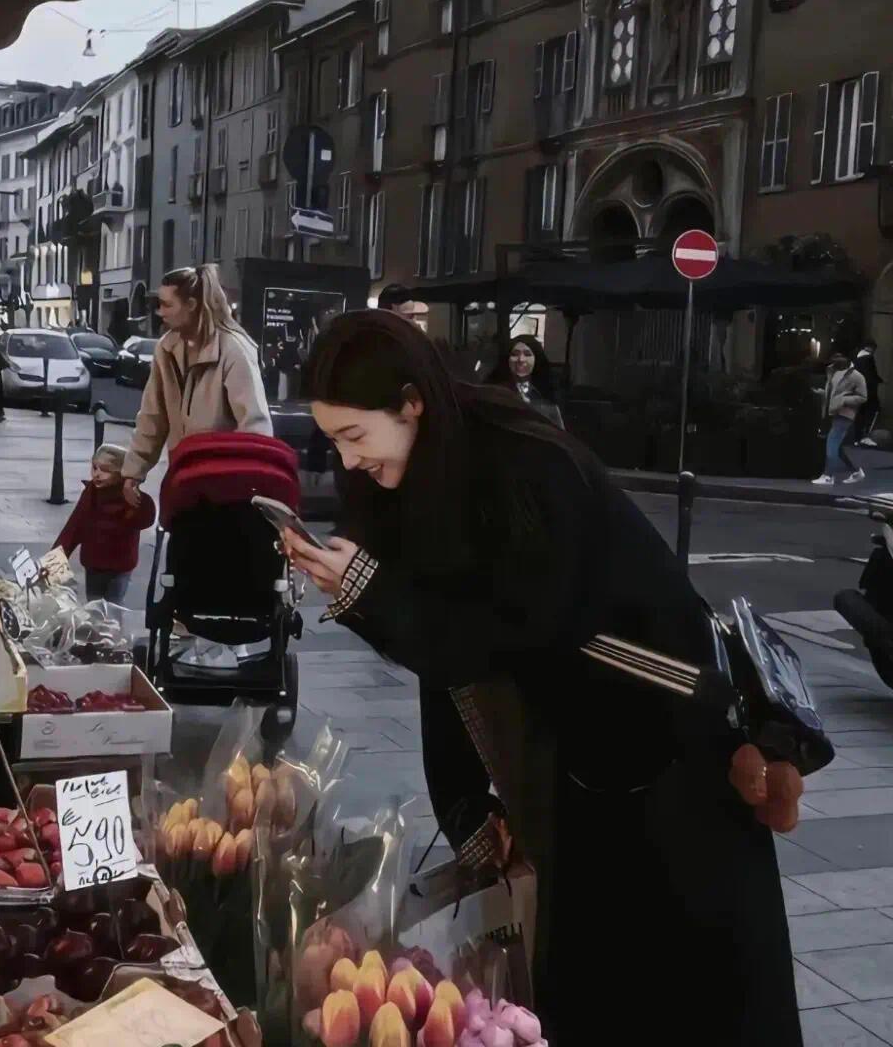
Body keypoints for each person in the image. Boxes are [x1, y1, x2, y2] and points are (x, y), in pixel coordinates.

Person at [284, 310, 803, 1047]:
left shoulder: (527, 465)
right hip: (585, 765)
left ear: (412, 403)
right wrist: (465, 808)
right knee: (583, 985)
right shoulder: (425, 474)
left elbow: (501, 634)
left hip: (670, 753)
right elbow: (450, 651)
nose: (347, 460)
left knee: (695, 992)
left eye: (355, 436)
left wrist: (369, 590)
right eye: (333, 440)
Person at [121, 264, 273, 506]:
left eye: (167, 305)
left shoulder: (233, 349)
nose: (160, 312)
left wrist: (246, 487)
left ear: (191, 305)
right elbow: (152, 415)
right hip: (183, 479)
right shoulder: (166, 348)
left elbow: (255, 424)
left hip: (225, 489)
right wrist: (133, 471)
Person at [54, 444, 156, 603]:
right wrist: (55, 559)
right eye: (94, 468)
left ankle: (112, 627)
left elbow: (145, 518)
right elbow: (75, 526)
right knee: (94, 606)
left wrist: (135, 494)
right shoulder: (91, 493)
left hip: (119, 565)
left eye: (105, 470)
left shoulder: (129, 497)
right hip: (94, 562)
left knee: (113, 607)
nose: (97, 474)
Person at [488, 335, 565, 429]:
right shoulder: (494, 391)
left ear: (537, 359)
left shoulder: (546, 396)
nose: (521, 359)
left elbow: (559, 435)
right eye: (515, 354)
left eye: (527, 354)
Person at [814, 351, 867, 486]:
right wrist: (823, 394)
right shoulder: (831, 372)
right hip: (831, 412)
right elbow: (833, 393)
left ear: (846, 359)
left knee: (832, 444)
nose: (836, 360)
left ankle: (828, 476)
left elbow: (862, 397)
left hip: (845, 413)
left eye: (840, 357)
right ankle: (857, 471)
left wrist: (844, 400)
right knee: (837, 447)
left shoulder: (856, 376)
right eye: (834, 357)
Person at [854, 339, 882, 447]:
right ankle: (865, 436)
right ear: (871, 347)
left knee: (860, 414)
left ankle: (858, 437)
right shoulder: (868, 358)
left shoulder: (857, 358)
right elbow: (870, 375)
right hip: (868, 390)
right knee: (871, 411)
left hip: (858, 390)